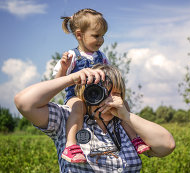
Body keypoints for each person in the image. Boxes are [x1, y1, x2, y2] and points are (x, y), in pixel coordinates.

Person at [14, 64, 175, 172]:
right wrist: (72, 78)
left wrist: (126, 116)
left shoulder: (127, 125)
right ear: (88, 93)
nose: (109, 100)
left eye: (116, 94)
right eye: (101, 93)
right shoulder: (69, 119)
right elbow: (24, 102)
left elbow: (167, 145)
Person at [53, 8, 149, 163]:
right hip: (77, 96)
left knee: (122, 104)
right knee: (77, 108)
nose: (101, 40)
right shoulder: (71, 56)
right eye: (96, 36)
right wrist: (64, 68)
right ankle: (71, 146)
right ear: (79, 35)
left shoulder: (101, 56)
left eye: (103, 36)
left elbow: (109, 77)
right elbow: (56, 82)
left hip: (100, 96)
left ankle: (134, 138)